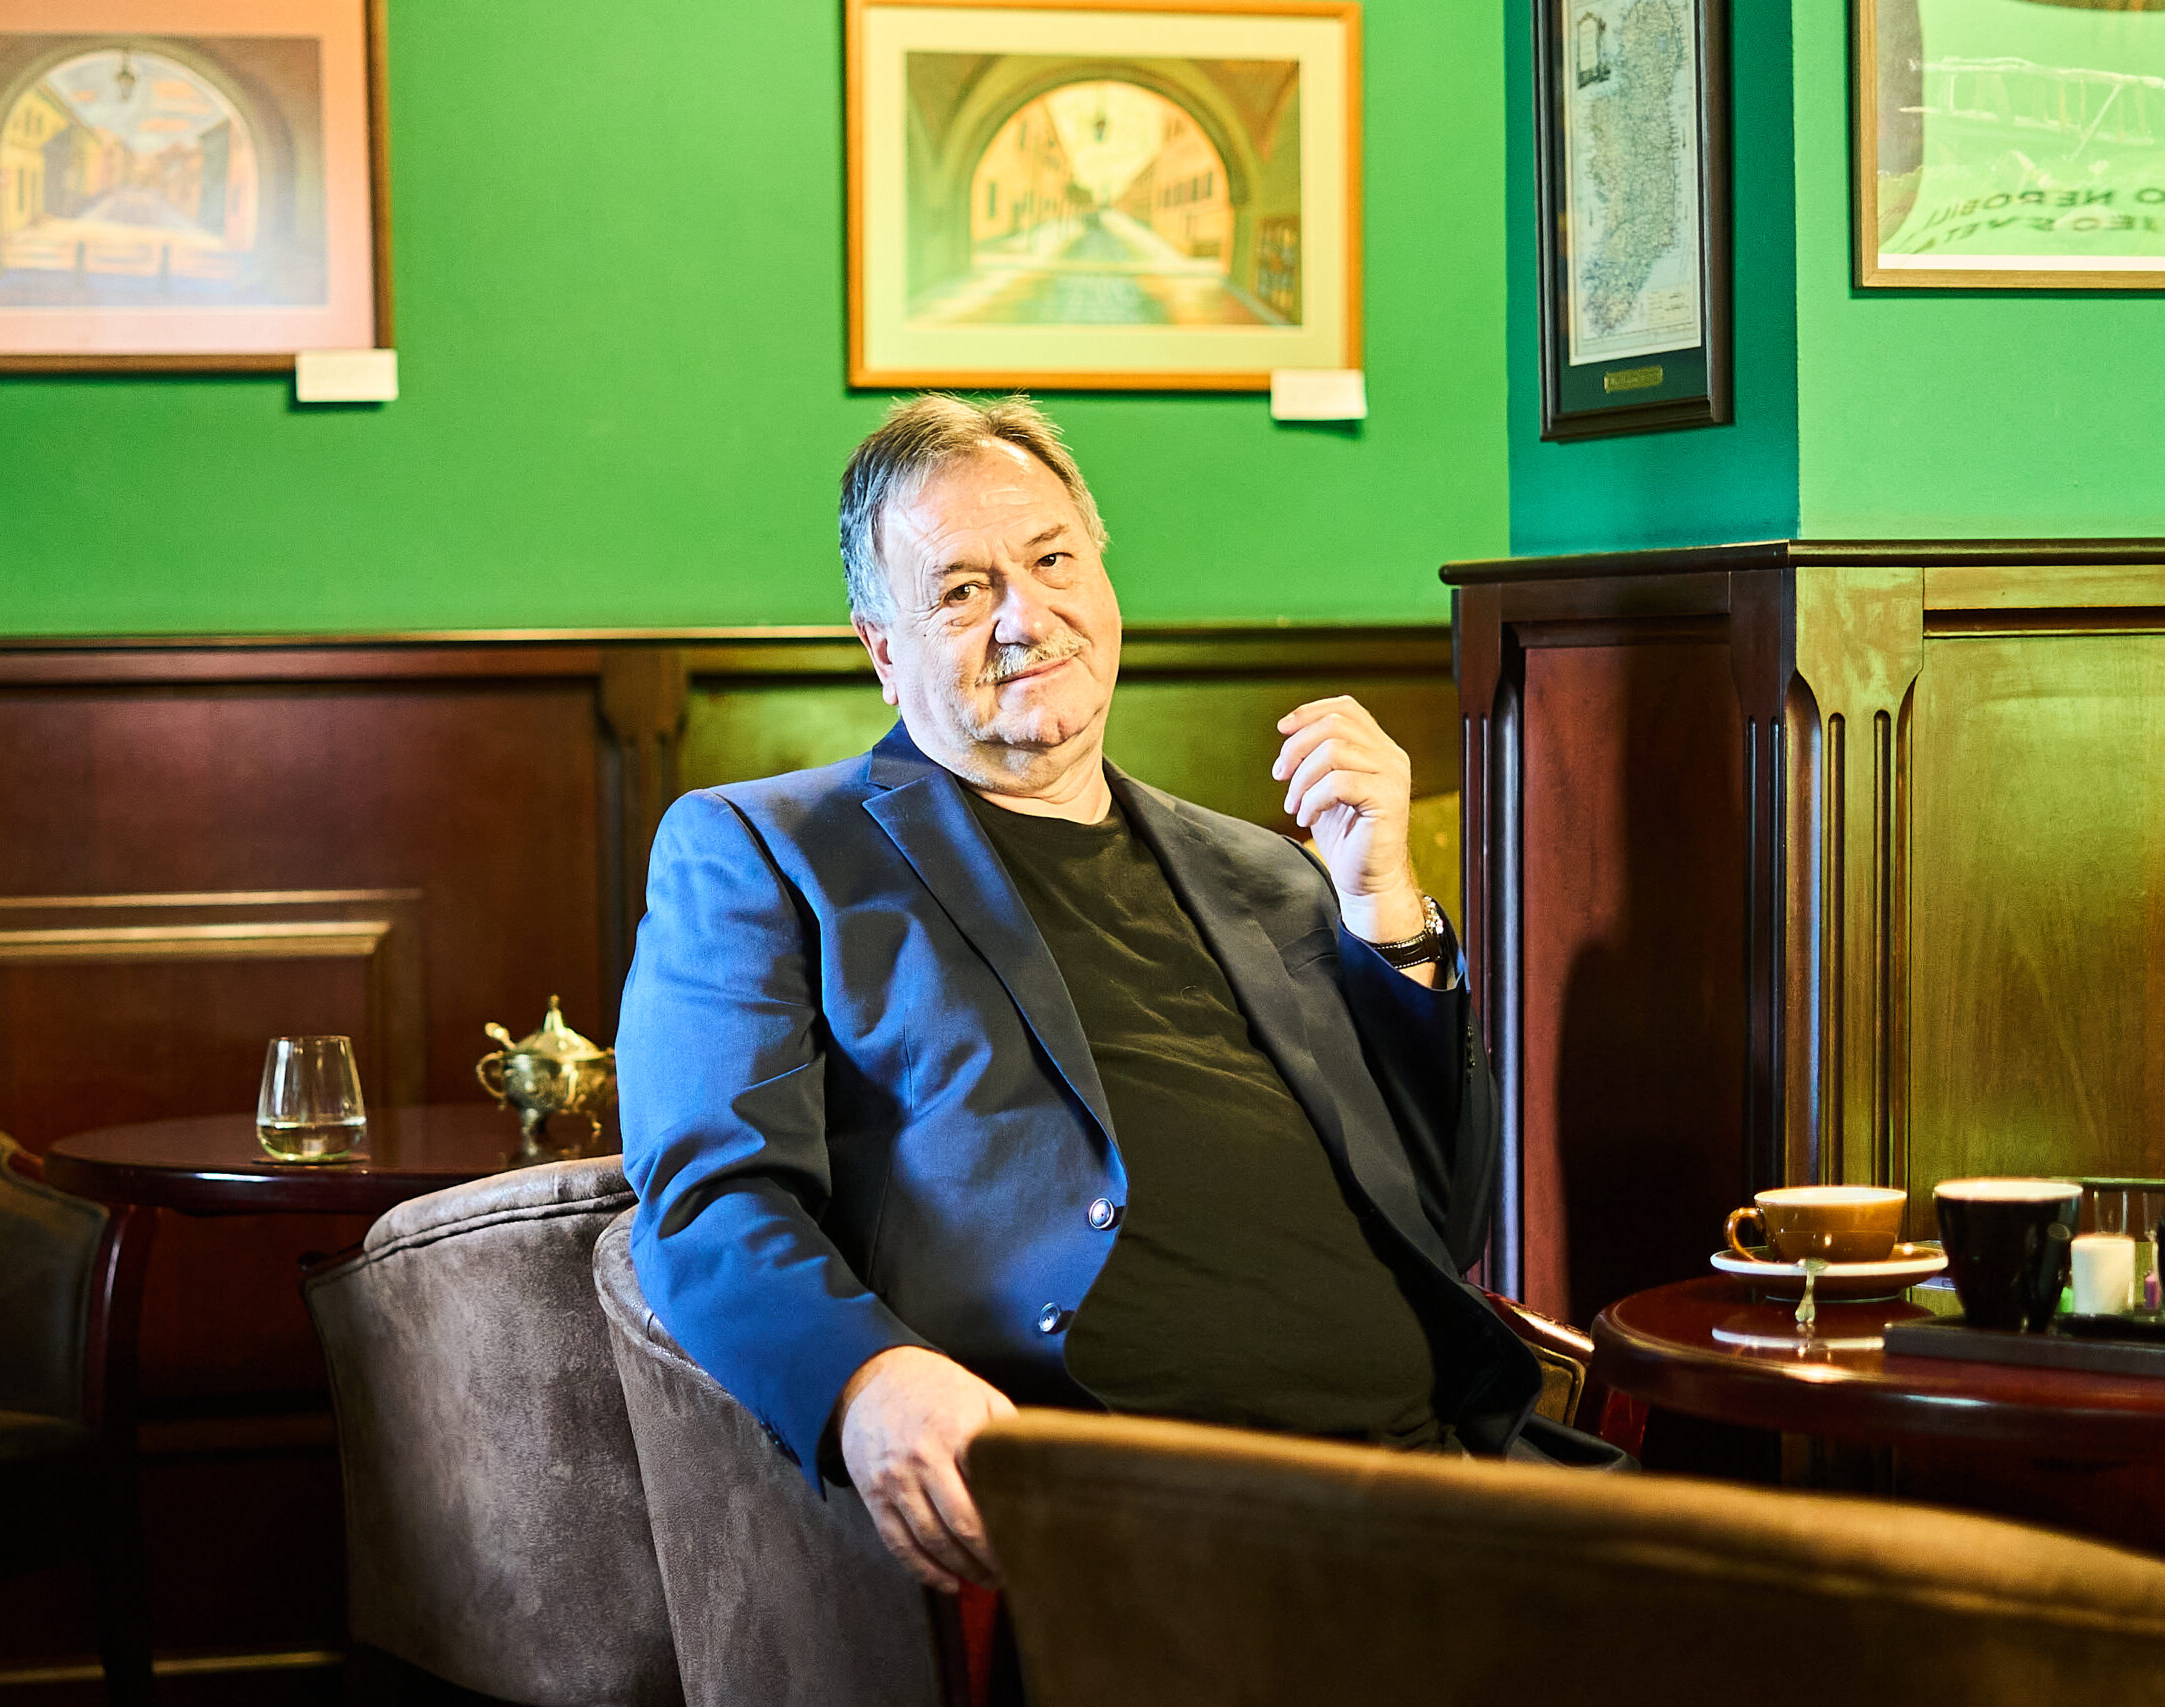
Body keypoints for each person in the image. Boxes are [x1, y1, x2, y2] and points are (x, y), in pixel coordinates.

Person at [619, 394, 1615, 1599]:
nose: (1024, 617)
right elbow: (705, 1199)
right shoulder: (765, 851)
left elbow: (1443, 1221)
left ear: (1101, 578)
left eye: (1052, 561)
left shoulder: (1264, 871)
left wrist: (1383, 909)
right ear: (883, 651)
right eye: (962, 590)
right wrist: (868, 1380)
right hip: (1133, 1521)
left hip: (1439, 1479)